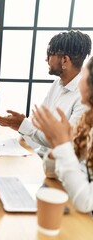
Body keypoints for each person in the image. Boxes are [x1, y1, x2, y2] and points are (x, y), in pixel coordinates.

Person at [0, 30, 91, 157]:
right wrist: (20, 126)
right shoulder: (57, 85)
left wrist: (23, 125)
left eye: (50, 55)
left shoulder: (85, 97)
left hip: (60, 167)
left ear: (65, 60)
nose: (46, 59)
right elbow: (38, 125)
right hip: (42, 157)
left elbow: (65, 142)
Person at [32, 56, 93, 213]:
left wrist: (62, 146)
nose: (79, 82)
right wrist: (57, 149)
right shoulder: (87, 122)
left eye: (83, 76)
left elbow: (86, 202)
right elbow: (52, 172)